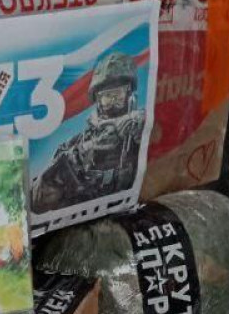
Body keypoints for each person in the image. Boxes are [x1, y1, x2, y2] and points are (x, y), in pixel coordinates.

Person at [32, 52, 146, 211]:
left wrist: (141, 131)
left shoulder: (140, 128)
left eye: (118, 94)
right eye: (107, 97)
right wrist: (78, 159)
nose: (113, 102)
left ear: (129, 95)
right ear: (98, 101)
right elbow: (37, 199)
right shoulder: (74, 145)